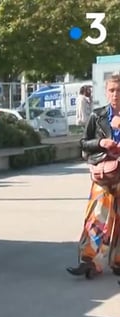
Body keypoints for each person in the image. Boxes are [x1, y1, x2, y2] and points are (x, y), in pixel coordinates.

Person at [67, 74, 120, 279]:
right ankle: (88, 260)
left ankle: (117, 261)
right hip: (104, 173)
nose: (115, 95)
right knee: (97, 215)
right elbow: (83, 143)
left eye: (119, 91)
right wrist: (100, 143)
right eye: (112, 90)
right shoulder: (98, 116)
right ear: (106, 92)